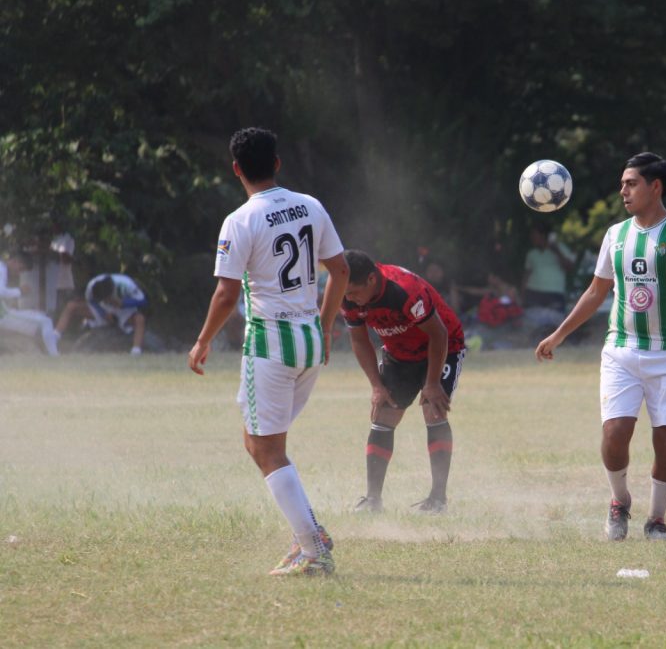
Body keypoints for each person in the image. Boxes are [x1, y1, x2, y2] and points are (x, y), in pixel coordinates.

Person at [188, 127, 350, 576]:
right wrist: (327, 324)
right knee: (261, 443)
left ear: (236, 168)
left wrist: (202, 341)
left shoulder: (240, 220)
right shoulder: (311, 206)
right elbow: (340, 269)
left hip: (270, 343)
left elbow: (225, 295)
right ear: (277, 163)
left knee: (266, 449)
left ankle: (314, 548)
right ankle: (311, 532)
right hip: (310, 342)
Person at [535, 152, 666, 542]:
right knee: (615, 433)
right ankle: (619, 501)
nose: (623, 191)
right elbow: (597, 291)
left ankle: (657, 520)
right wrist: (559, 334)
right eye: (621, 184)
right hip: (620, 350)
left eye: (631, 183)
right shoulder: (616, 235)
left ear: (655, 186)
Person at [341, 249, 465, 514]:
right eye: (347, 294)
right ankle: (373, 500)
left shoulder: (404, 290)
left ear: (371, 280)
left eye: (354, 293)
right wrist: (376, 385)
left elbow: (439, 334)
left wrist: (432, 383)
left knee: (434, 410)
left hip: (444, 346)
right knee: (384, 414)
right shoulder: (347, 294)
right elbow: (359, 339)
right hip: (400, 352)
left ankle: (438, 500)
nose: (350, 299)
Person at [55, 272, 148, 355]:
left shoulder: (126, 284)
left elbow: (143, 301)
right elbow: (91, 301)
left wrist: (123, 303)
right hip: (101, 308)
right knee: (71, 306)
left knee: (140, 319)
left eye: (107, 298)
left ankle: (136, 351)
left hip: (124, 310)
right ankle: (55, 337)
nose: (107, 300)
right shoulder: (91, 286)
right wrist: (103, 313)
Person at [0, 254, 60, 356]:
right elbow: (1, 292)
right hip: (3, 316)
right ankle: (54, 356)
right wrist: (20, 291)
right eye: (20, 269)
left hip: (5, 312)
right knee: (45, 321)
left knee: (41, 316)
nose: (18, 273)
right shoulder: (2, 269)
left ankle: (44, 351)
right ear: (15, 261)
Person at [522, 223, 574, 312]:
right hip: (533, 292)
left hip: (554, 293)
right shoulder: (531, 253)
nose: (532, 237)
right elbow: (527, 275)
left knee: (555, 322)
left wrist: (556, 251)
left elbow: (569, 267)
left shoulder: (561, 248)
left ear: (543, 235)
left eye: (534, 234)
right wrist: (522, 294)